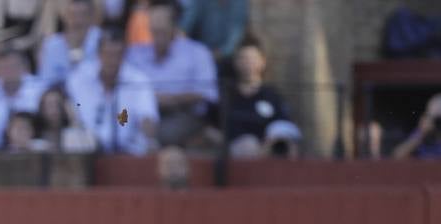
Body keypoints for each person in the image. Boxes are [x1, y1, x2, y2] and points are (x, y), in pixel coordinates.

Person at [125, 0, 218, 148]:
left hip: (183, 115)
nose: (157, 35)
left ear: (174, 25)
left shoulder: (198, 53)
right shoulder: (135, 54)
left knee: (158, 134)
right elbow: (123, 88)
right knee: (121, 126)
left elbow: (207, 95)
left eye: (162, 30)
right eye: (154, 30)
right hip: (140, 114)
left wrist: (171, 99)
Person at [67, 25, 157, 155]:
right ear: (99, 54)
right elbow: (72, 107)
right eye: (108, 54)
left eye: (117, 55)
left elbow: (148, 117)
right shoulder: (79, 78)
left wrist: (147, 127)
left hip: (127, 151)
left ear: (124, 55)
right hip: (86, 152)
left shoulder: (139, 80)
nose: (112, 61)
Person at [222, 37, 298, 156]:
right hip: (238, 151)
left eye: (253, 58)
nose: (248, 63)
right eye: (243, 58)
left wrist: (272, 141)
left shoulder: (272, 95)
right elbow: (211, 126)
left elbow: (284, 122)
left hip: (269, 147)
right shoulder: (227, 94)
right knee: (249, 145)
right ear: (235, 62)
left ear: (262, 61)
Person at [391, 93, 441, 160]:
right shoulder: (422, 132)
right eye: (435, 119)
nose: (437, 123)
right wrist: (422, 134)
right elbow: (397, 156)